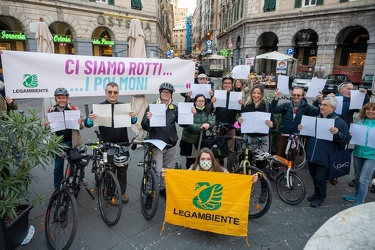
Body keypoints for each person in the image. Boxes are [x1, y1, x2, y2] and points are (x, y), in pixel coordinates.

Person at [85, 82, 137, 203]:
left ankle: (122, 192)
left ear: (118, 93)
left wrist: (133, 117)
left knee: (123, 171)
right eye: (110, 92)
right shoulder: (99, 107)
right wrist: (89, 120)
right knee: (110, 171)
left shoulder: (124, 107)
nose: (112, 95)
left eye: (115, 92)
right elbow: (88, 124)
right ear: (106, 93)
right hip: (107, 146)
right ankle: (110, 194)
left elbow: (133, 121)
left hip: (123, 145)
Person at [298, 97, 351, 208]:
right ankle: (317, 193)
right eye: (321, 104)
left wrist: (337, 133)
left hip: (327, 156)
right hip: (312, 153)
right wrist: (302, 129)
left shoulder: (339, 122)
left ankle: (321, 197)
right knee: (313, 175)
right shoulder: (315, 118)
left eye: (325, 105)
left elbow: (346, 140)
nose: (321, 107)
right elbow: (307, 136)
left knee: (320, 178)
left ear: (332, 108)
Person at [314, 82, 370, 186]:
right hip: (327, 127)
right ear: (341, 90)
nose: (351, 91)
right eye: (348, 89)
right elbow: (318, 107)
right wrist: (323, 97)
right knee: (326, 150)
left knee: (338, 153)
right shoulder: (332, 98)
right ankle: (323, 171)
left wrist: (364, 95)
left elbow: (365, 106)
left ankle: (334, 174)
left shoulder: (353, 101)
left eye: (352, 89)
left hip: (342, 130)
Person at [141, 82, 179, 197]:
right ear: (160, 93)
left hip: (170, 144)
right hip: (157, 145)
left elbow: (183, 124)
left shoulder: (174, 108)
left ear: (171, 95)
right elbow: (144, 126)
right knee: (157, 171)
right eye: (163, 92)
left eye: (168, 92)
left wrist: (190, 114)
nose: (166, 94)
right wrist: (147, 119)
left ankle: (162, 188)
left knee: (166, 170)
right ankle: (149, 191)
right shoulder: (152, 107)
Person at [45, 88, 84, 190]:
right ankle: (58, 188)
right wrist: (46, 125)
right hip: (58, 145)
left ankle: (73, 185)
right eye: (59, 98)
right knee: (58, 167)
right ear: (56, 99)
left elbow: (83, 125)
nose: (61, 100)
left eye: (63, 98)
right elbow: (46, 128)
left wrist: (81, 122)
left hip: (73, 142)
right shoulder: (51, 111)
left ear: (67, 98)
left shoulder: (74, 109)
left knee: (74, 165)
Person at [271, 86, 320, 158]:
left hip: (297, 136)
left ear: (302, 96)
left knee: (292, 156)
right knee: (279, 156)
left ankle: (290, 169)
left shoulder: (306, 107)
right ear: (292, 95)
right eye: (294, 95)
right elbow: (274, 110)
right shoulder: (286, 105)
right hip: (284, 134)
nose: (296, 97)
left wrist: (319, 101)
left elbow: (318, 112)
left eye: (298, 95)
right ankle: (279, 168)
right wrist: (276, 98)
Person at [343, 102, 375, 206]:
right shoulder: (360, 123)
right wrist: (350, 134)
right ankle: (356, 195)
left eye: (373, 110)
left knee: (363, 179)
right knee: (357, 177)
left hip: (371, 156)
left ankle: (360, 201)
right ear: (364, 112)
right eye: (368, 109)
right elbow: (354, 137)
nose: (370, 111)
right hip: (358, 153)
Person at [210, 75, 241, 172]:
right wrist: (212, 102)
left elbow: (241, 115)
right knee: (219, 149)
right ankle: (220, 169)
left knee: (231, 151)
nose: (227, 85)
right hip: (219, 126)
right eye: (225, 83)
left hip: (231, 127)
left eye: (229, 83)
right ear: (222, 84)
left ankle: (230, 170)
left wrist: (242, 104)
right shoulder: (218, 95)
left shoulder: (236, 96)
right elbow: (209, 111)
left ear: (232, 85)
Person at [180, 94, 215, 169]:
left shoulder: (206, 112)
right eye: (199, 101)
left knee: (201, 160)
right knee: (191, 161)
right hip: (190, 140)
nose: (201, 103)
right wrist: (199, 126)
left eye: (203, 101)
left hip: (200, 140)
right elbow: (188, 124)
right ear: (195, 102)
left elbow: (212, 121)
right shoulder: (190, 110)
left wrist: (208, 124)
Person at [238, 84, 274, 154]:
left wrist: (271, 124)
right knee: (247, 159)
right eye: (254, 93)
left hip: (263, 139)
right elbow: (239, 124)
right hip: (248, 138)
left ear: (262, 94)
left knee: (261, 162)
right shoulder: (246, 105)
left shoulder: (266, 105)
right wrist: (239, 121)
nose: (256, 95)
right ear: (251, 93)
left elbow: (273, 125)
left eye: (258, 93)